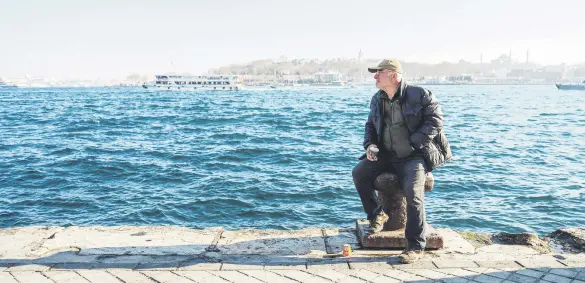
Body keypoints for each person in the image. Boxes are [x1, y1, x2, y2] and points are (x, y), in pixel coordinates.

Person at [352, 59, 452, 264]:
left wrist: (413, 143)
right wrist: (370, 145)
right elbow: (370, 124)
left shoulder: (420, 94)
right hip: (386, 155)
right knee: (359, 173)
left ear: (394, 75)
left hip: (412, 156)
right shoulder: (377, 98)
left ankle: (415, 246)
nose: (375, 76)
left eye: (379, 72)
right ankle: (377, 215)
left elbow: (435, 121)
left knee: (414, 195)